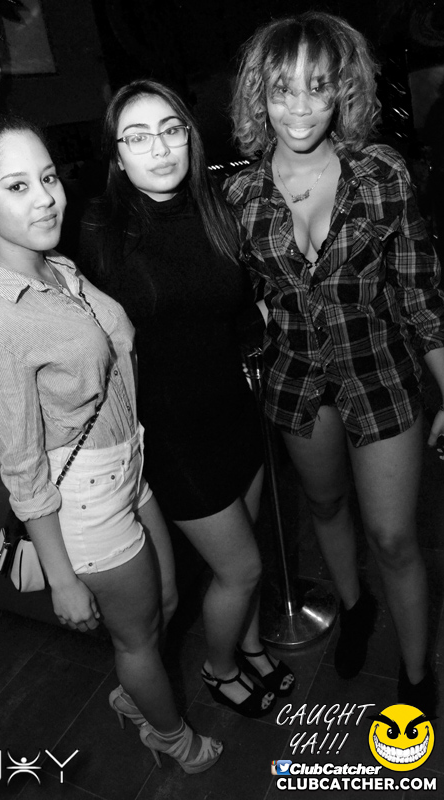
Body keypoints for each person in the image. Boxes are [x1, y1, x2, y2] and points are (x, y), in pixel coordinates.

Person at [0, 112, 222, 773]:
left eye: (47, 178)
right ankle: (171, 738)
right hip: (84, 496)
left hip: (130, 463)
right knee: (138, 638)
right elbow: (21, 466)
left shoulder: (59, 269)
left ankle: (137, 694)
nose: (45, 198)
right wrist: (63, 578)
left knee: (167, 600)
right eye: (17, 186)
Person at [225, 11, 444, 716]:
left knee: (394, 537)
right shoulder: (239, 197)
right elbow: (240, 299)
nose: (299, 107)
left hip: (380, 376)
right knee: (323, 505)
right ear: (259, 95)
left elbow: (422, 297)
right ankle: (354, 608)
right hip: (296, 386)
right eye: (281, 89)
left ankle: (416, 672)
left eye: (316, 87)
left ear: (341, 90)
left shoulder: (380, 175)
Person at [79, 79, 295, 719]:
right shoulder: (100, 229)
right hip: (171, 435)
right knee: (242, 570)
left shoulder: (217, 210)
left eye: (171, 130)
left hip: (234, 409)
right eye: (138, 137)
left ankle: (250, 646)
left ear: (190, 139)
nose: (160, 147)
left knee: (249, 552)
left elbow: (235, 311)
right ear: (118, 156)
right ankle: (219, 668)